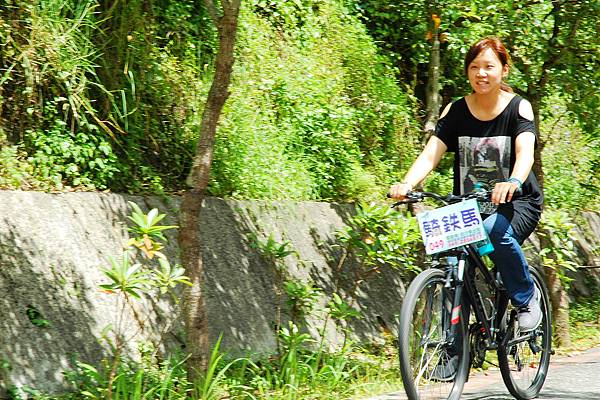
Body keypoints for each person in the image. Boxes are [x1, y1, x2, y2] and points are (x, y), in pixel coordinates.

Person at [389, 37, 544, 334]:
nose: (481, 73)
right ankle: (452, 348)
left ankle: (526, 297)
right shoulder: (456, 110)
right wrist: (407, 183)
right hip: (468, 206)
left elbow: (525, 154)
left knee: (494, 232)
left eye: (489, 66)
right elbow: (431, 153)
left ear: (504, 70)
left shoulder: (518, 108)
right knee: (451, 266)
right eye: (475, 67)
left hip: (517, 202)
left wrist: (511, 181)